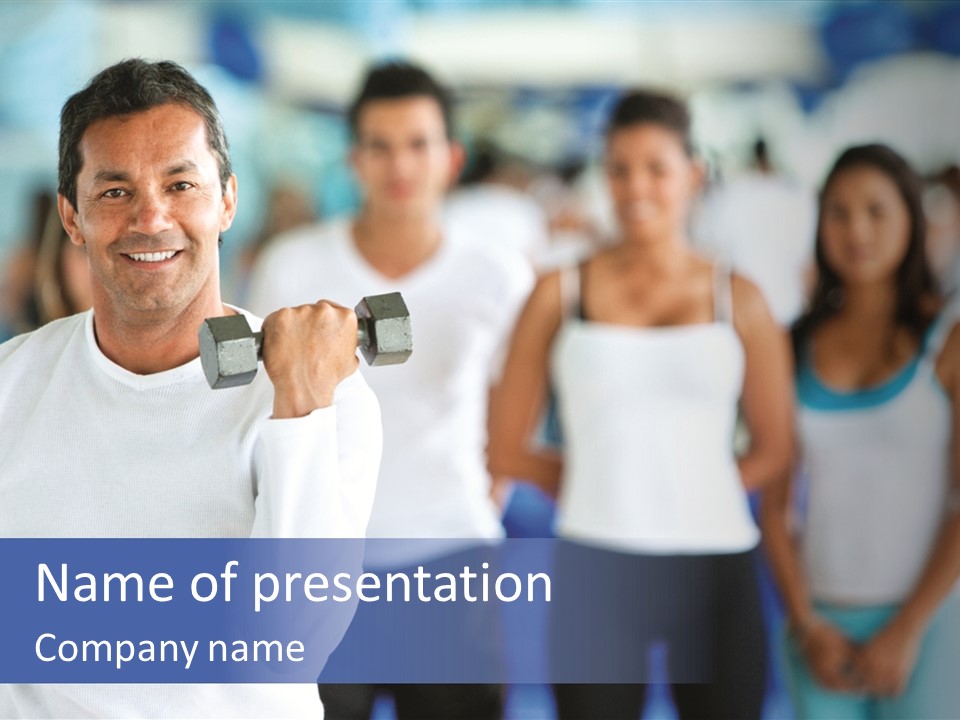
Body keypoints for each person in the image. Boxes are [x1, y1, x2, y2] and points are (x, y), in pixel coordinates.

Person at [0, 58, 382, 718]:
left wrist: (297, 406)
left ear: (228, 200)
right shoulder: (11, 388)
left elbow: (296, 638)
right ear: (71, 216)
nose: (151, 217)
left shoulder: (329, 396)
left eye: (181, 185)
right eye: (115, 192)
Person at [488, 89, 794, 719]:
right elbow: (504, 443)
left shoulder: (741, 298)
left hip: (715, 566)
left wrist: (690, 488)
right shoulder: (558, 293)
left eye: (657, 168)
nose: (636, 187)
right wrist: (594, 483)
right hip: (595, 565)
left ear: (694, 175)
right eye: (619, 169)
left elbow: (776, 446)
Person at [247, 61, 533, 720]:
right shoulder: (294, 264)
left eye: (418, 144)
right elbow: (260, 411)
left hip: (451, 563)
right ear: (353, 159)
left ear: (451, 157)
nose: (399, 164)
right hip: (324, 566)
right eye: (380, 145)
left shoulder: (498, 275)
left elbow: (512, 414)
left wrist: (471, 505)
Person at [761, 144, 960, 719]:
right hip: (819, 625)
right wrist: (806, 624)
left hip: (932, 623)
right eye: (839, 213)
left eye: (877, 211)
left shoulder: (947, 339)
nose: (858, 231)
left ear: (911, 220)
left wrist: (909, 627)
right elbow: (775, 505)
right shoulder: (790, 344)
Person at [693, 137, 817, 326]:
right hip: (789, 307)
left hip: (739, 312)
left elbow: (706, 245)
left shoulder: (732, 193)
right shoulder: (798, 194)